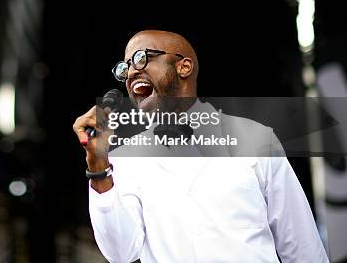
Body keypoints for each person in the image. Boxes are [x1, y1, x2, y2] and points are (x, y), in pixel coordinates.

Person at [72, 30, 329, 262]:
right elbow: (121, 252)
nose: (130, 73)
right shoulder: (123, 160)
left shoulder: (254, 137)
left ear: (184, 67)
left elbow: (301, 244)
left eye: (141, 58)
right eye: (125, 68)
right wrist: (98, 166)